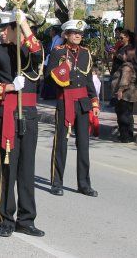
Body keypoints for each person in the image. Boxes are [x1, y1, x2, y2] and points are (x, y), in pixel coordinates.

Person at [0, 10, 45, 238]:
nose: (4, 32)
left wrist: (25, 24)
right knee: (9, 169)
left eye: (10, 27)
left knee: (27, 170)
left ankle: (26, 219)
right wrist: (9, 87)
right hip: (8, 113)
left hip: (29, 114)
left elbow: (38, 52)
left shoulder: (30, 50)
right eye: (7, 28)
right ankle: (6, 218)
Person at [47, 19, 100, 198]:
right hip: (65, 100)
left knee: (83, 145)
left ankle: (84, 184)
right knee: (61, 143)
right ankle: (57, 182)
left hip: (83, 101)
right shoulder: (57, 52)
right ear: (66, 35)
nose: (78, 36)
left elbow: (89, 79)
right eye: (74, 33)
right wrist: (63, 69)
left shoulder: (86, 53)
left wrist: (94, 102)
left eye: (80, 33)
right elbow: (48, 78)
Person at [112, 48, 137, 142]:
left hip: (125, 94)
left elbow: (125, 81)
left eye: (123, 54)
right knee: (128, 115)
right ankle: (129, 136)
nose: (122, 56)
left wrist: (120, 91)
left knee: (123, 115)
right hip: (130, 94)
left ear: (128, 56)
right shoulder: (132, 65)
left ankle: (125, 137)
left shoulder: (127, 67)